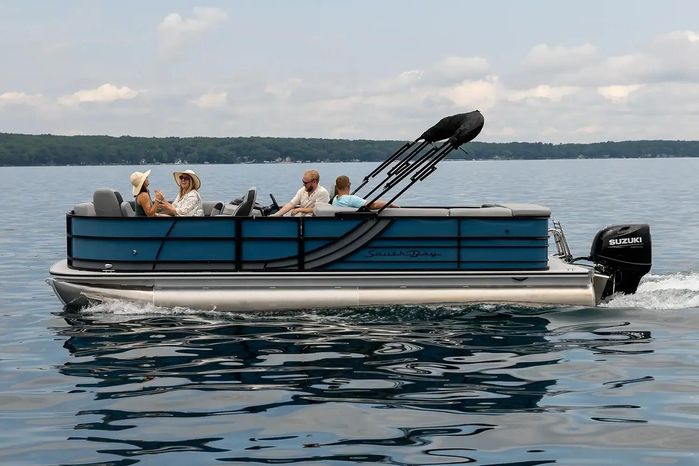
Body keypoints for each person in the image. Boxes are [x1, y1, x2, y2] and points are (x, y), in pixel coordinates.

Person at [332, 175, 399, 210]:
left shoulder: (335, 199)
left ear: (336, 187)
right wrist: (389, 204)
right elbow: (373, 205)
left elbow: (366, 203)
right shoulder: (351, 199)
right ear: (349, 185)